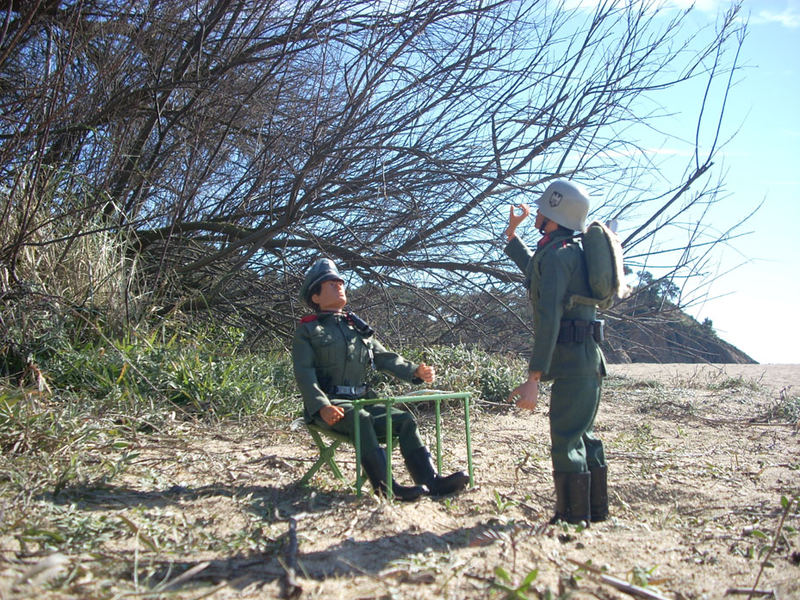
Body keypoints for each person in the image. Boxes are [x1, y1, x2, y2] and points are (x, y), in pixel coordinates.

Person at [292, 258, 470, 501]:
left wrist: (414, 371)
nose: (339, 285)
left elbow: (385, 357)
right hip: (332, 406)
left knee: (404, 420)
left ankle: (431, 481)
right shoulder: (309, 331)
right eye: (331, 284)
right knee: (361, 419)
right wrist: (321, 406)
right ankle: (386, 488)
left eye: (340, 282)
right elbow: (304, 373)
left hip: (362, 401)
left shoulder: (356, 328)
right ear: (316, 297)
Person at [502, 179, 609, 525]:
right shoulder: (562, 251)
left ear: (552, 215)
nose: (539, 214)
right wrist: (512, 234)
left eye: (544, 210)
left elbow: (549, 316)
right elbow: (537, 272)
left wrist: (533, 378)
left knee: (566, 437)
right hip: (583, 360)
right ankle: (594, 511)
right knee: (581, 434)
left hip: (574, 360)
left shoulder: (560, 255)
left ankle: (572, 517)